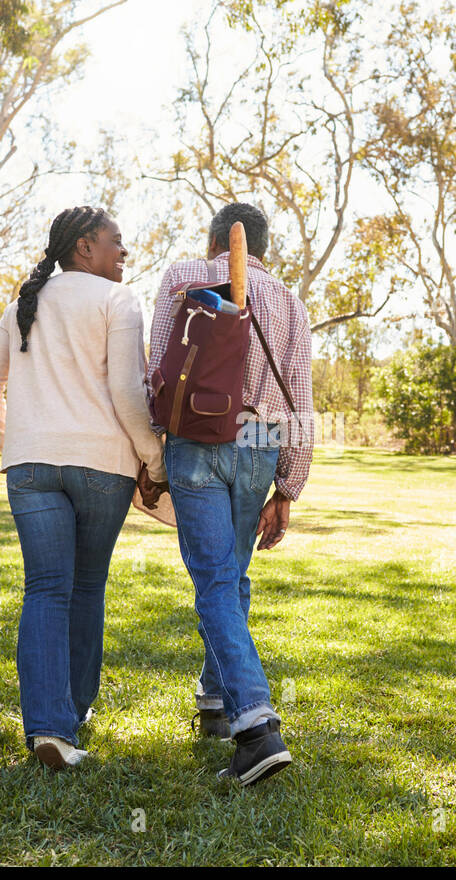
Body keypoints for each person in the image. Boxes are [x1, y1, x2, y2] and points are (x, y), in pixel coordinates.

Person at [0, 206, 167, 771]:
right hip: (102, 467)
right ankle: (73, 715)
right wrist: (153, 461)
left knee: (45, 590)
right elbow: (130, 396)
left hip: (30, 468)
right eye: (116, 242)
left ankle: (48, 729)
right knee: (85, 588)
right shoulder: (119, 301)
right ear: (84, 247)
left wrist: (18, 440)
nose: (123, 254)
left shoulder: (22, 306)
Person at [147, 202, 315, 787]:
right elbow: (299, 399)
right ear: (264, 247)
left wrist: (154, 451)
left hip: (196, 440)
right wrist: (288, 486)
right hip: (262, 441)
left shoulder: (182, 277)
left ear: (214, 239)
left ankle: (256, 726)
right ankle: (215, 700)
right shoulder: (291, 303)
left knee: (216, 580)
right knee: (232, 575)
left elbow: (158, 372)